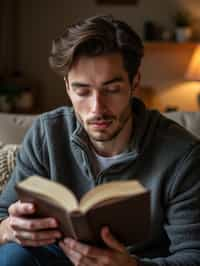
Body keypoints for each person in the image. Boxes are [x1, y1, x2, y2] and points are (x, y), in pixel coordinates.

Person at [0, 14, 200, 266]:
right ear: (67, 88)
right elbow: (2, 217)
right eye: (82, 91)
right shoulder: (46, 133)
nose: (97, 108)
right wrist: (8, 227)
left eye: (112, 89)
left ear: (134, 82)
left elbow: (194, 255)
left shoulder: (182, 154)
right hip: (57, 256)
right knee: (11, 257)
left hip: (138, 262)